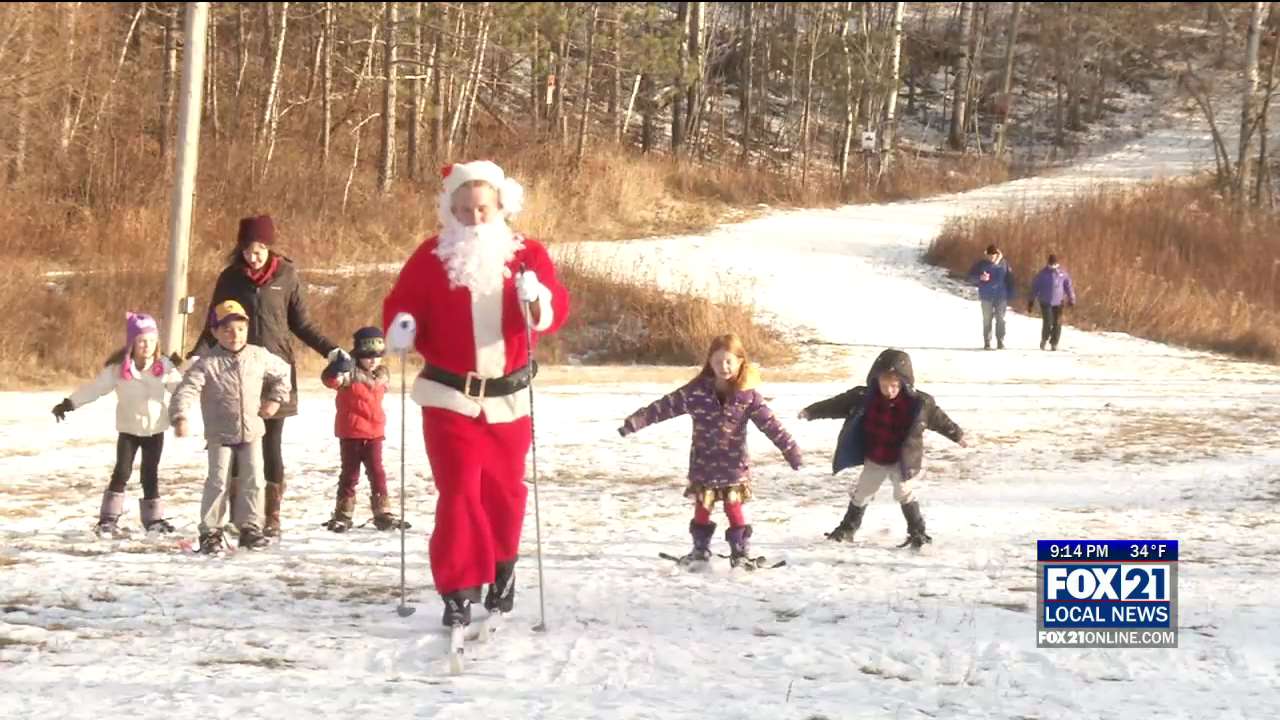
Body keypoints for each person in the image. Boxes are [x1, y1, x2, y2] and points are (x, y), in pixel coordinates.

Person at [382, 160, 571, 629]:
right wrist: (402, 327)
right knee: (461, 490)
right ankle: (459, 586)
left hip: (508, 398)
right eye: (463, 210)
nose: (474, 219)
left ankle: (502, 569)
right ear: (450, 210)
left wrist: (536, 300)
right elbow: (400, 306)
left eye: (482, 209)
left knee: (504, 493)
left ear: (501, 206)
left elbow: (553, 311)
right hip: (449, 397)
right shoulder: (431, 257)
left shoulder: (528, 255)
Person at [190, 214, 346, 537]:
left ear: (269, 246)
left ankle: (270, 514)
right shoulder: (230, 278)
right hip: (233, 374)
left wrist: (330, 350)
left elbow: (301, 324)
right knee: (234, 445)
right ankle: (238, 516)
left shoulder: (286, 275)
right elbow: (212, 325)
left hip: (275, 373)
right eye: (247, 249)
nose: (253, 255)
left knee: (270, 445)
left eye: (259, 248)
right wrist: (193, 356)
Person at [617, 334, 803, 571]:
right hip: (703, 464)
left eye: (728, 362)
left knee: (733, 507)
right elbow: (666, 406)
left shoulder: (748, 396)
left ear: (740, 362)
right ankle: (700, 550)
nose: (723, 368)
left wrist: (791, 451)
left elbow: (771, 425)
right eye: (717, 362)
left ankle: (740, 553)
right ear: (709, 363)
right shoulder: (697, 392)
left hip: (733, 466)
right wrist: (636, 421)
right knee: (702, 508)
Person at [798, 349, 966, 550]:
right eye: (884, 385)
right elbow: (836, 404)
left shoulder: (920, 403)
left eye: (894, 386)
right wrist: (812, 411)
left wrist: (957, 435)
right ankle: (847, 529)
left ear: (905, 383)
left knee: (903, 492)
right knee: (863, 492)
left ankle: (918, 532)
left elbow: (939, 420)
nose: (889, 390)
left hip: (902, 459)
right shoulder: (863, 398)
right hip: (876, 457)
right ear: (875, 381)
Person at [171, 300, 292, 553]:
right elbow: (186, 390)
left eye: (239, 328)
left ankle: (250, 528)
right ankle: (210, 532)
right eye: (226, 330)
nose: (234, 335)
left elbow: (284, 372)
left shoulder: (258, 356)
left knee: (254, 480)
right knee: (217, 482)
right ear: (215, 332)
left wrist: (274, 400)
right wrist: (180, 416)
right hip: (220, 435)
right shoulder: (207, 363)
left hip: (252, 432)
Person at [52, 312, 184, 536]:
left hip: (155, 431)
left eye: (152, 341)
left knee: (150, 473)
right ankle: (108, 519)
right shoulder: (118, 369)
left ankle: (154, 520)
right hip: (128, 430)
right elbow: (95, 389)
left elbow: (182, 391)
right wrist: (69, 403)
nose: (147, 345)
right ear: (132, 342)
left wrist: (191, 377)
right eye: (142, 340)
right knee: (122, 472)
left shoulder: (164, 366)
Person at [320, 326, 409, 533]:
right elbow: (330, 381)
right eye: (368, 356)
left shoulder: (382, 375)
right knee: (350, 475)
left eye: (377, 356)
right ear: (358, 355)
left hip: (375, 433)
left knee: (377, 473)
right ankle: (343, 514)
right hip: (351, 433)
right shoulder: (348, 373)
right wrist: (335, 368)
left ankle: (383, 512)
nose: (372, 361)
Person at [967, 244, 1016, 350]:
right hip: (986, 296)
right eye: (989, 256)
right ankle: (987, 342)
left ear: (996, 254)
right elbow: (970, 277)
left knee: (1001, 319)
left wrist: (1011, 294)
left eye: (993, 255)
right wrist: (980, 278)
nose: (991, 258)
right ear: (986, 255)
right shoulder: (981, 264)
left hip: (1001, 296)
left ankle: (1000, 341)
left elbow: (1010, 279)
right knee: (987, 319)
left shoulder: (1004, 264)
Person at [1028, 253, 1077, 351]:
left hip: (1059, 302)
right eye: (1051, 264)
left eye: (1054, 264)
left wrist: (1072, 299)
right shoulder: (1042, 274)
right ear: (1048, 263)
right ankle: (1044, 339)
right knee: (1048, 322)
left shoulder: (1062, 274)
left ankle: (1054, 343)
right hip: (1045, 302)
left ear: (1057, 263)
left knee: (1057, 323)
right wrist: (1031, 301)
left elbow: (1068, 287)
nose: (1053, 266)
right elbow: (1035, 288)